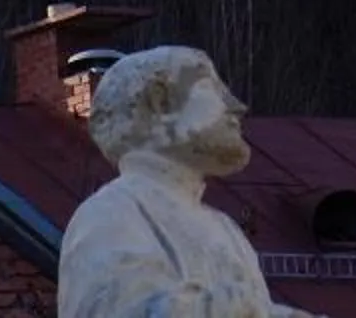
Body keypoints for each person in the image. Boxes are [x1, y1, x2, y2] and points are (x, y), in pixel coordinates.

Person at [57, 46, 317, 318]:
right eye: (212, 89)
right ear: (160, 102)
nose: (236, 107)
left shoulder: (225, 229)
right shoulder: (111, 216)